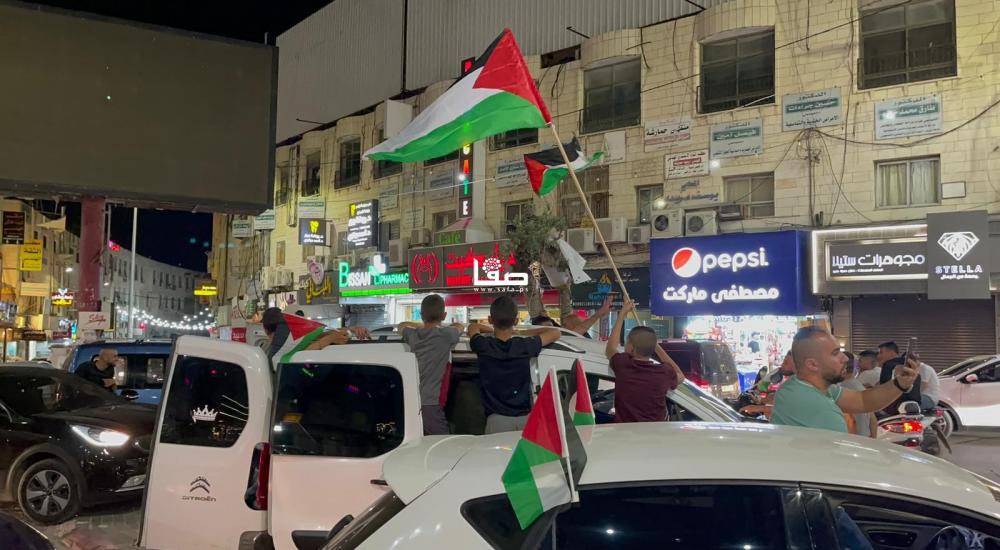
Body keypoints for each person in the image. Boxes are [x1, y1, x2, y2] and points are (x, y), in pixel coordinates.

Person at [770, 327, 919, 433]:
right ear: (812, 364)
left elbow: (862, 400)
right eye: (835, 354)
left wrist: (900, 384)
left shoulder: (806, 386)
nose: (845, 358)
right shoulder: (814, 406)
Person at [468, 295, 561, 434]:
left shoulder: (483, 345)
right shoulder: (524, 346)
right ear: (516, 320)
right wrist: (519, 332)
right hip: (526, 421)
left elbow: (473, 326)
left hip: (496, 422)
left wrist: (497, 328)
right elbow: (555, 332)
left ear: (490, 320)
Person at [604, 300, 684, 423]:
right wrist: (656, 347)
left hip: (624, 434)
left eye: (627, 342)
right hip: (654, 434)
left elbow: (610, 348)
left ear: (631, 348)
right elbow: (681, 376)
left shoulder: (623, 365)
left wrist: (622, 315)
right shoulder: (664, 372)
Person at [398, 294, 462, 435]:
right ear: (444, 315)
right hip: (431, 404)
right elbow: (460, 326)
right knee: (442, 447)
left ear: (421, 315)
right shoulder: (447, 335)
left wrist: (422, 326)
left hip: (409, 402)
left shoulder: (412, 335)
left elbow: (401, 326)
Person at [262, 308, 370, 367]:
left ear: (266, 330)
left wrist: (353, 329)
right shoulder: (272, 353)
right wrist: (330, 338)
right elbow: (300, 355)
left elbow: (320, 333)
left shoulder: (266, 348)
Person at [877, 341, 922, 414]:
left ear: (891, 352)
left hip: (892, 407)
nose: (878, 356)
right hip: (915, 404)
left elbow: (884, 387)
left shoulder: (888, 364)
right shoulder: (910, 365)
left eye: (881, 352)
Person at [839, 352, 877, 438]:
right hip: (865, 438)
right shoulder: (860, 387)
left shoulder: (840, 390)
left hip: (853, 440)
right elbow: (873, 419)